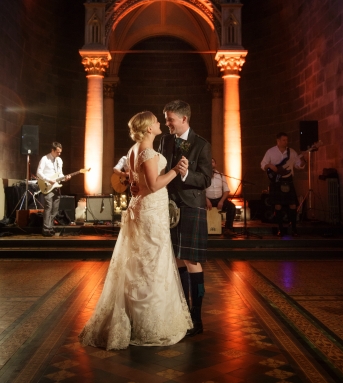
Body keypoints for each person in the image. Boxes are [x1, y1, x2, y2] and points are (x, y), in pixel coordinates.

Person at [79, 111, 192, 350]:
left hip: (144, 209)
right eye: (156, 121)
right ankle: (148, 324)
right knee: (151, 265)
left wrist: (135, 184)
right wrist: (175, 170)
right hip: (150, 211)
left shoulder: (133, 150)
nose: (160, 124)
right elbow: (153, 185)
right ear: (149, 128)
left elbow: (136, 183)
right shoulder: (147, 152)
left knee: (139, 264)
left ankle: (133, 317)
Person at [159, 100, 212, 337]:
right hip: (168, 206)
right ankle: (180, 311)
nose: (166, 123)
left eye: (170, 119)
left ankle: (196, 317)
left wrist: (187, 173)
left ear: (184, 119)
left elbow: (206, 180)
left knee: (191, 260)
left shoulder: (201, 144)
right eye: (166, 119)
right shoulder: (165, 140)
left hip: (191, 206)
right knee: (176, 260)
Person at [261, 132, 306, 237]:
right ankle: (280, 229)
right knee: (278, 205)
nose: (286, 142)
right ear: (278, 140)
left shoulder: (292, 152)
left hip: (288, 180)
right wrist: (269, 166)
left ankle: (294, 228)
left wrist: (303, 160)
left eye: (287, 140)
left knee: (293, 205)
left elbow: (299, 165)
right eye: (283, 140)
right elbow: (263, 165)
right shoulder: (270, 151)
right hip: (276, 181)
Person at [36, 142, 71, 237]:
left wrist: (65, 178)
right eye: (57, 152)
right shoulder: (45, 159)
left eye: (60, 152)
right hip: (47, 186)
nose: (59, 154)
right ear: (52, 150)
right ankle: (46, 229)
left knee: (55, 209)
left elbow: (60, 174)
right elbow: (39, 172)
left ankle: (50, 227)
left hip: (56, 186)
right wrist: (48, 180)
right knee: (48, 207)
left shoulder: (59, 160)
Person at [206, 158, 236, 233]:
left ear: (215, 164)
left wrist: (222, 201)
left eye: (212, 162)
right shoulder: (204, 175)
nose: (211, 163)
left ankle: (228, 229)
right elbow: (200, 190)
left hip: (219, 200)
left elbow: (226, 190)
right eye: (209, 162)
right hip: (207, 200)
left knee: (231, 207)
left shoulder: (221, 175)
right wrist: (206, 200)